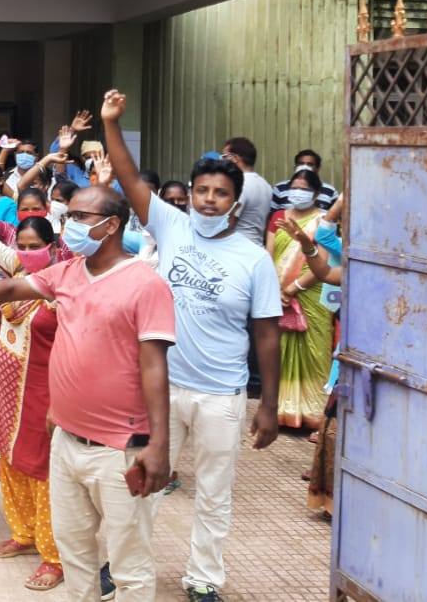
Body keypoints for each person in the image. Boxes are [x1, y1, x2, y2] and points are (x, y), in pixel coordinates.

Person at [0, 183, 174, 602]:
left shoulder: (144, 283)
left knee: (128, 565)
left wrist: (159, 444)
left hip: (119, 447)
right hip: (66, 440)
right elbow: (11, 289)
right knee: (75, 551)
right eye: (70, 216)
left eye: (81, 217)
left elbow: (155, 366)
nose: (70, 226)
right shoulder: (67, 273)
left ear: (112, 225)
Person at [103, 90, 281, 602]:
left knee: (213, 494)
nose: (207, 199)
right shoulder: (171, 225)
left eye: (219, 193)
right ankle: (125, 566)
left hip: (221, 395)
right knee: (142, 480)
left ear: (235, 202)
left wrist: (265, 405)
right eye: (201, 189)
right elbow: (129, 178)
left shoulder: (253, 260)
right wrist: (114, 122)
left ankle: (203, 578)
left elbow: (266, 336)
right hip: (161, 387)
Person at [0, 187, 66, 590]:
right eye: (21, 246)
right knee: (10, 459)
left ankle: (54, 555)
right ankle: (24, 534)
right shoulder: (17, 272)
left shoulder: (63, 284)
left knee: (42, 469)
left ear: (53, 246)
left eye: (36, 246)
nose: (27, 252)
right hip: (7, 384)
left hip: (44, 388)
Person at [271, 168, 333, 431]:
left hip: (312, 293)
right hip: (277, 293)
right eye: (294, 187)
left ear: (317, 193)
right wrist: (276, 289)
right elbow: (269, 254)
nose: (298, 192)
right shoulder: (278, 217)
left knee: (315, 349)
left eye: (305, 188)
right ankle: (282, 411)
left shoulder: (324, 221)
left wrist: (293, 287)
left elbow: (325, 261)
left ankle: (314, 412)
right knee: (279, 350)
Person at [219, 137, 273, 245]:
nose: (221, 161)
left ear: (234, 158)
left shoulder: (240, 183)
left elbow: (229, 223)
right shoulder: (265, 185)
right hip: (257, 245)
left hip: (238, 248)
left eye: (224, 157)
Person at [272, 149, 338, 212]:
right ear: (295, 167)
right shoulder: (280, 188)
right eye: (301, 164)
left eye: (310, 164)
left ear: (318, 168)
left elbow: (336, 219)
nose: (305, 167)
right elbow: (271, 215)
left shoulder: (330, 192)